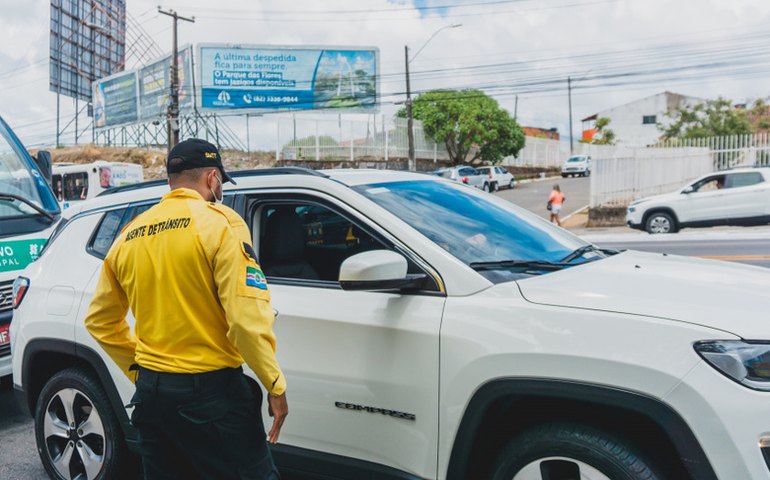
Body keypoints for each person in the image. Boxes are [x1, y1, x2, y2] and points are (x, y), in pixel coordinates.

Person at [84, 138, 287, 480]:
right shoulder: (221, 224)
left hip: (150, 400)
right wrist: (274, 384)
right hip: (212, 399)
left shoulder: (129, 236)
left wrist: (142, 374)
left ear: (171, 179)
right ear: (211, 178)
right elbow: (244, 320)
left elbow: (100, 322)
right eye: (220, 180)